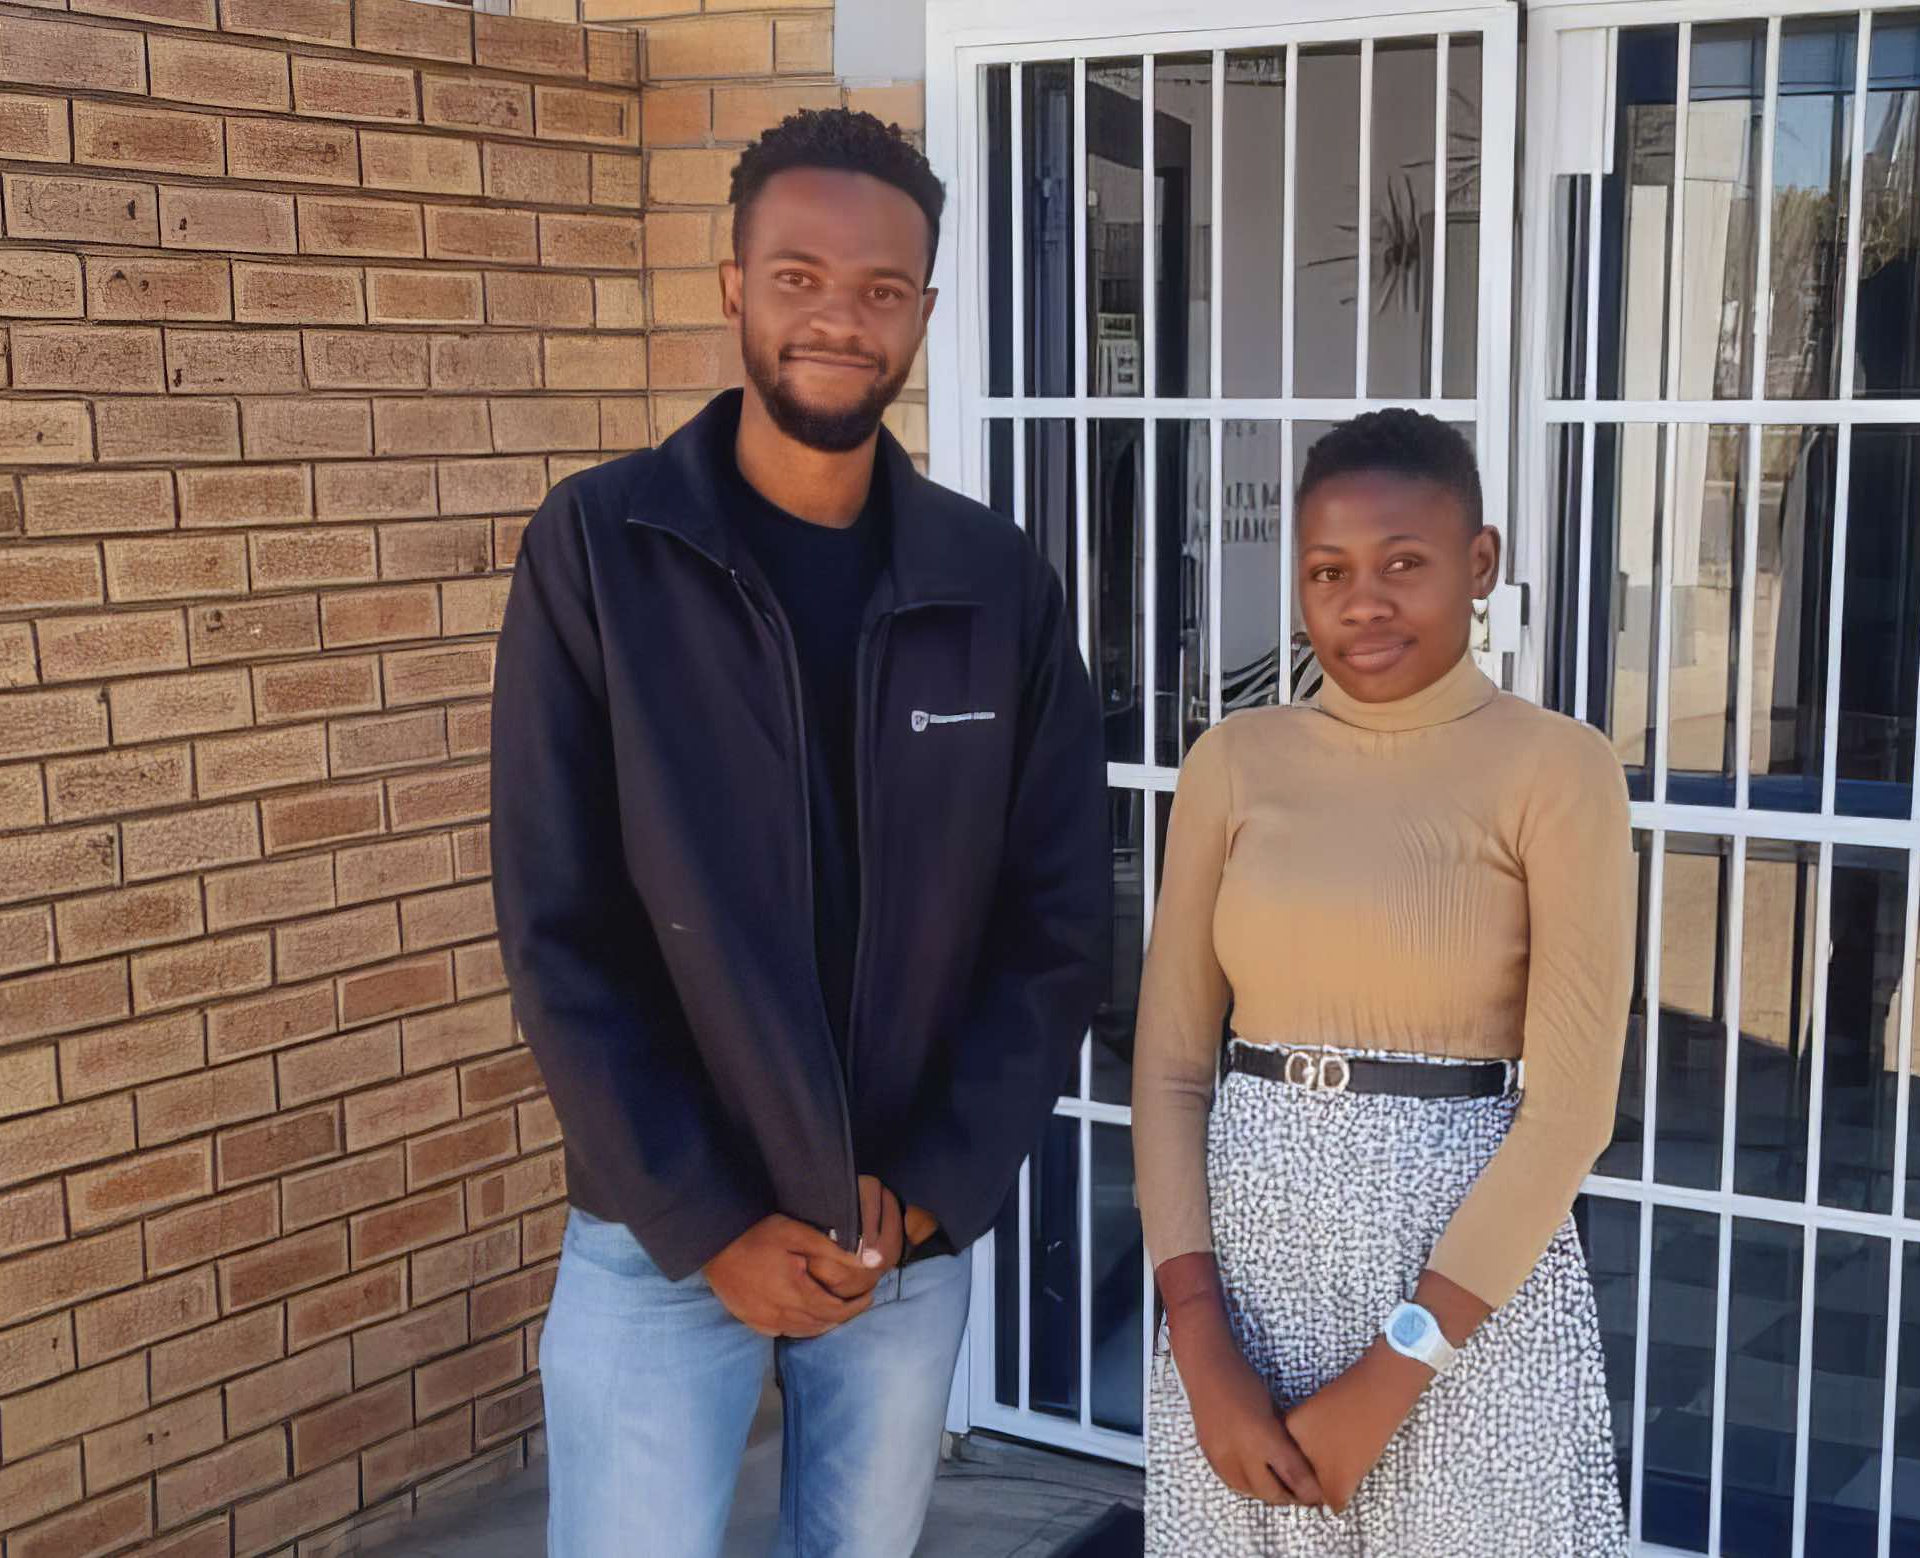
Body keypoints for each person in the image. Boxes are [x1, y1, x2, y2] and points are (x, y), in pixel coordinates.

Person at [490, 108, 1110, 1558]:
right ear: (731, 282)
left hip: (897, 1236)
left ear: (927, 312)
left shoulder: (994, 580)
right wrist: (706, 1217)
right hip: (660, 1236)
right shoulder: (599, 550)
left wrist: (940, 1187)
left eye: (882, 288)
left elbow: (1054, 923)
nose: (840, 317)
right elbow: (558, 924)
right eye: (799, 276)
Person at [1133, 409, 1636, 1555]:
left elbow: (1567, 1114)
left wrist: (1396, 1367)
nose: (1362, 602)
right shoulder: (1233, 762)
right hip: (1249, 1285)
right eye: (1327, 571)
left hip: (1459, 1288)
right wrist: (1199, 1338)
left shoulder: (1555, 768)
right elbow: (1167, 1070)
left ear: (1478, 564)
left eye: (1402, 564)